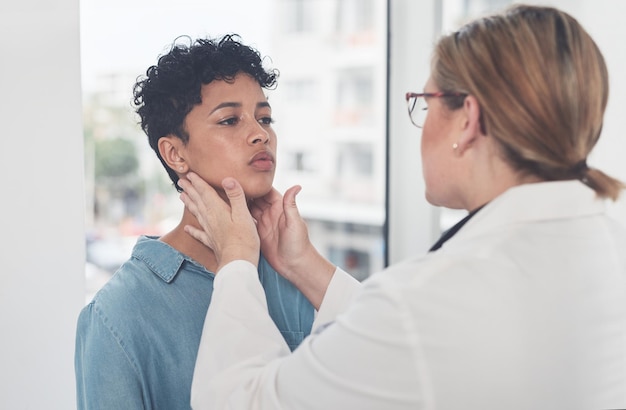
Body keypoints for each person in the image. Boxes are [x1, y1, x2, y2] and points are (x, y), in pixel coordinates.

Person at [180, 5, 626, 410]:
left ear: (467, 120)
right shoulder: (607, 246)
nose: (259, 134)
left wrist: (237, 259)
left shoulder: (431, 299)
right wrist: (304, 266)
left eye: (424, 103)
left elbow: (238, 400)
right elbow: (419, 344)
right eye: (230, 119)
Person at [74, 34, 316, 410]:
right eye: (230, 119)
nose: (260, 134)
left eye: (265, 117)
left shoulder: (293, 273)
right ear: (174, 153)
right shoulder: (118, 314)